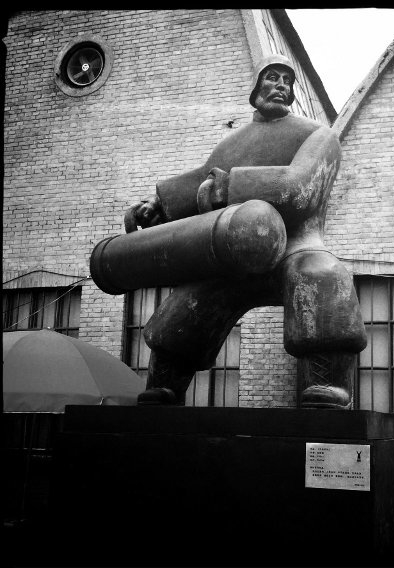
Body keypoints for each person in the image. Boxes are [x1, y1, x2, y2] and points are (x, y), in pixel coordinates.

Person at [128, 54, 367, 409]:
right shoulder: (231, 144)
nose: (281, 86)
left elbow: (299, 189)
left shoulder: (319, 136)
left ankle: (328, 382)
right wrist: (157, 206)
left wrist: (231, 186)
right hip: (236, 250)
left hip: (295, 245)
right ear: (255, 88)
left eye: (288, 81)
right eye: (272, 77)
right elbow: (202, 182)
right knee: (190, 299)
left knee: (321, 276)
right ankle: (166, 384)